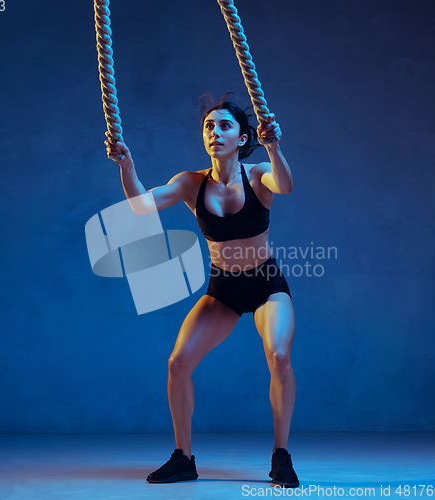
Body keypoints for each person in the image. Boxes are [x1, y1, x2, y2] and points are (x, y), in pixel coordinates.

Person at [105, 95, 299, 487]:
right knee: (178, 363)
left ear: (243, 138)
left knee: (278, 356)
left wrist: (275, 148)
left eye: (224, 125)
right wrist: (127, 165)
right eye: (209, 126)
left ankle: (281, 456)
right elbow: (142, 205)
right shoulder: (191, 183)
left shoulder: (259, 173)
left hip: (265, 286)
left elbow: (287, 184)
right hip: (223, 289)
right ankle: (184, 458)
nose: (215, 132)